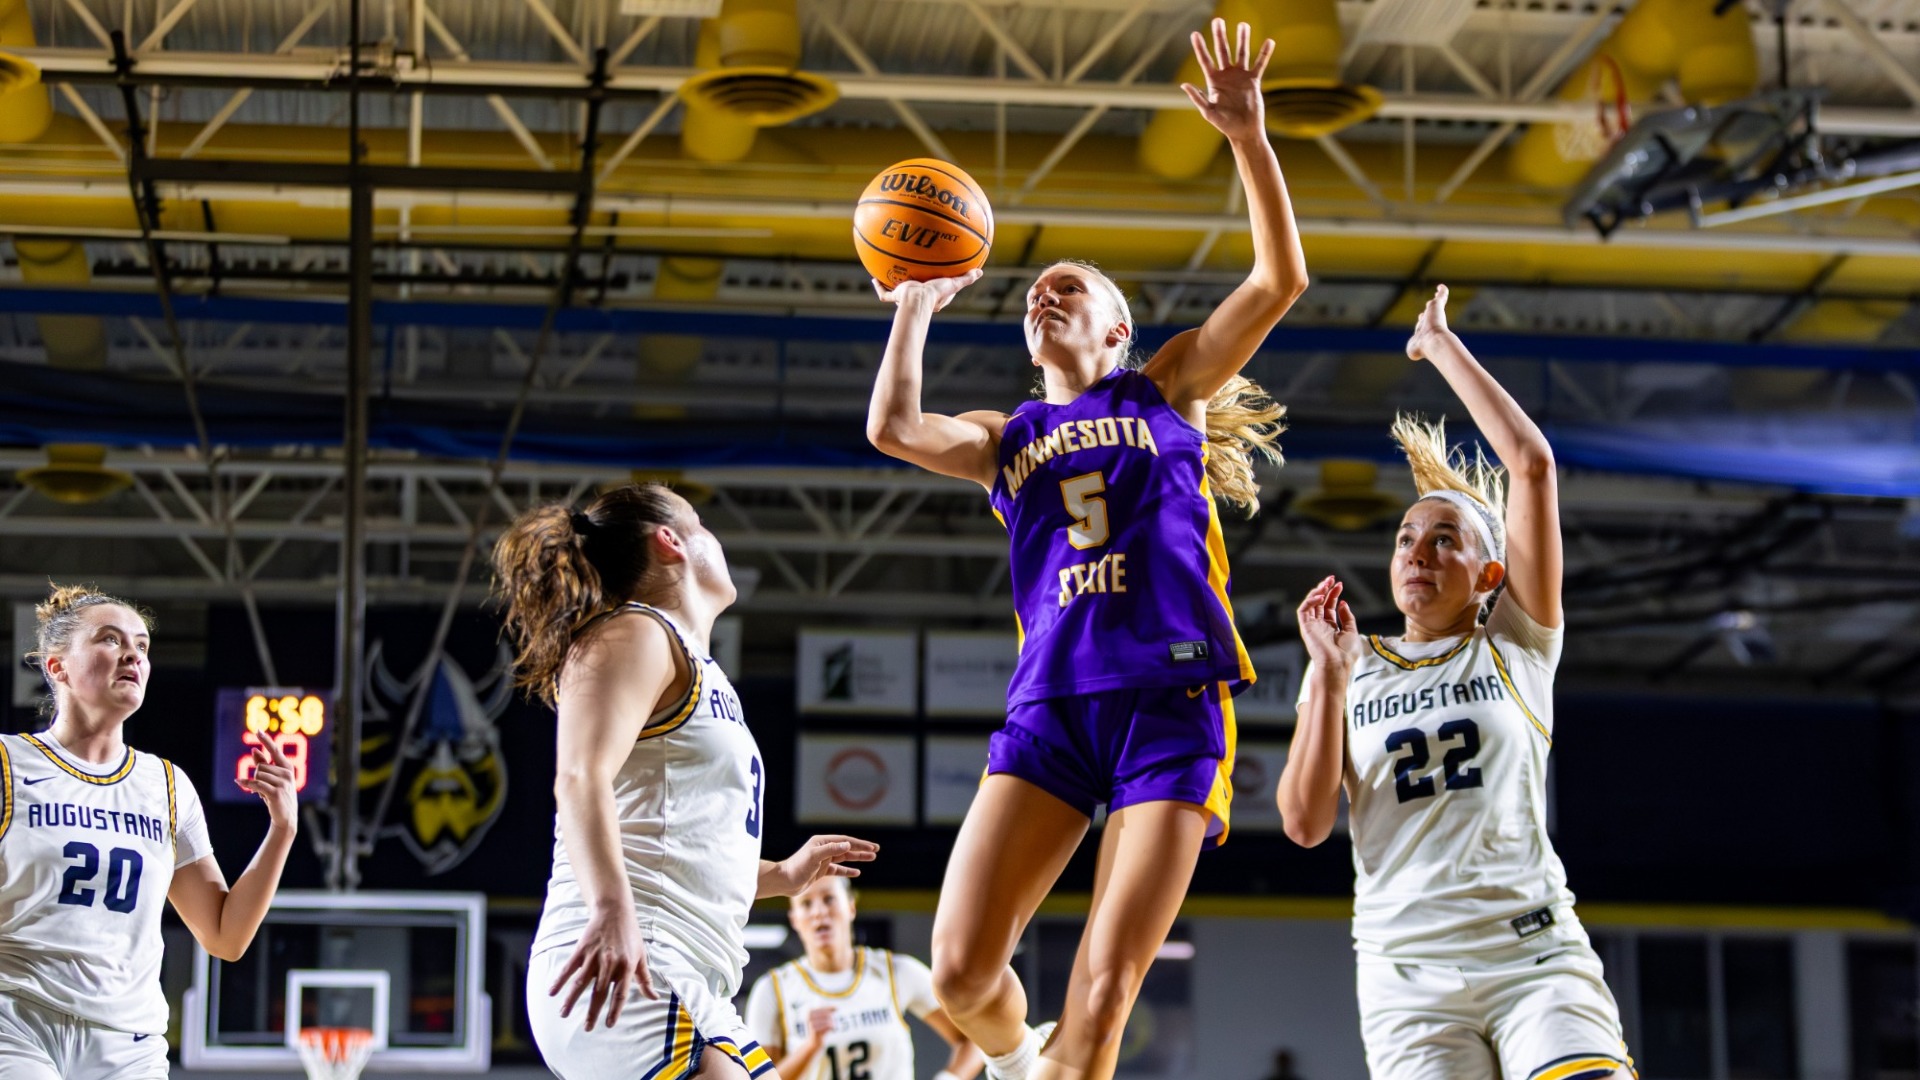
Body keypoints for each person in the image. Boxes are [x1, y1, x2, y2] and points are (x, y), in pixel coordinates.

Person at [866, 20, 1307, 1080]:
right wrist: (915, 306)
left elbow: (1280, 278)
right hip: (1052, 707)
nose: (1044, 292)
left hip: (1169, 701)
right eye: (1035, 291)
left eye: (1071, 285)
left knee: (1103, 1002)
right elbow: (892, 428)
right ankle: (1020, 1063)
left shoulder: (1168, 390)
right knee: (961, 976)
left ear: (1118, 329)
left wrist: (1249, 138)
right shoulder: (1003, 436)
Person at [1277, 286, 1633, 1080]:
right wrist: (1328, 679)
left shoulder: (1518, 641)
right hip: (1407, 976)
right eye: (1407, 538)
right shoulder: (1348, 662)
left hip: (1532, 953)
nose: (1418, 552)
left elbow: (1532, 466)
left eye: (1446, 541)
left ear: (1489, 576)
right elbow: (1303, 825)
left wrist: (1439, 346)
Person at [493, 482, 880, 1080]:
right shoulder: (634, 631)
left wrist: (782, 876)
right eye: (702, 522)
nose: (716, 537)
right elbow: (577, 776)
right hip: (631, 958)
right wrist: (610, 908)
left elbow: (669, 844)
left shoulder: (696, 667)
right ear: (670, 541)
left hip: (669, 968)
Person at [0, 584, 298, 1080]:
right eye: (111, 640)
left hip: (128, 1041)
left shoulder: (165, 785)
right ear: (57, 667)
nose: (132, 656)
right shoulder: (9, 764)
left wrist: (283, 829)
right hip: (17, 1022)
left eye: (142, 647)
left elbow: (226, 936)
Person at [745, 875, 981, 1080]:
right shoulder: (772, 989)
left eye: (829, 899)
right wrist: (810, 1047)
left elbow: (974, 1037)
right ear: (795, 918)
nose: (819, 912)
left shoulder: (896, 971)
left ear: (851, 907)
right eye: (806, 904)